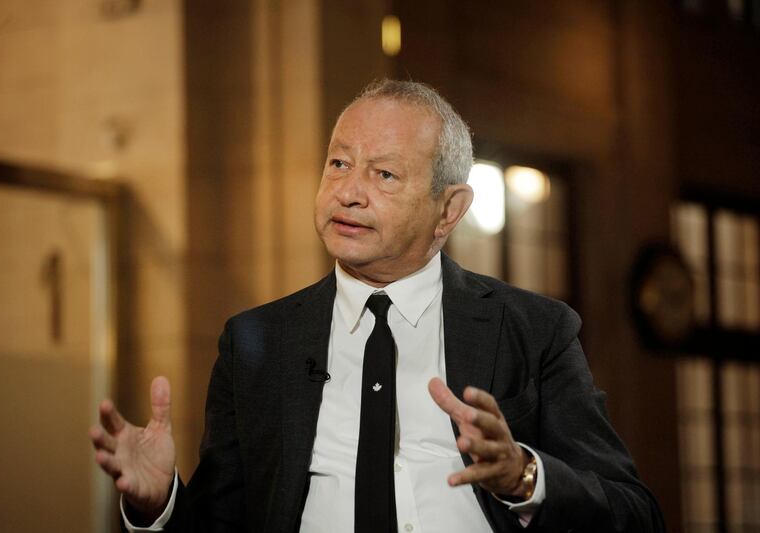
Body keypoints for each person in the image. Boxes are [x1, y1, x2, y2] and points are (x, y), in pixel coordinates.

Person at [90, 79, 666, 532]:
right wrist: (159, 503)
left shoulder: (533, 331)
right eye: (338, 163)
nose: (347, 191)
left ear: (449, 210)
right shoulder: (255, 344)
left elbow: (633, 514)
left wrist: (524, 476)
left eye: (383, 173)